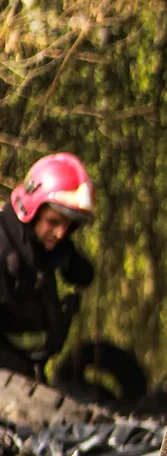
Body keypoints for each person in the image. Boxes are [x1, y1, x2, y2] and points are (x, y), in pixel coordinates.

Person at [0, 153, 96, 381]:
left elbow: (85, 274)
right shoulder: (4, 249)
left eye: (70, 226)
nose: (61, 233)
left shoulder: (42, 247)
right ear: (31, 209)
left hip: (26, 376)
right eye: (53, 222)